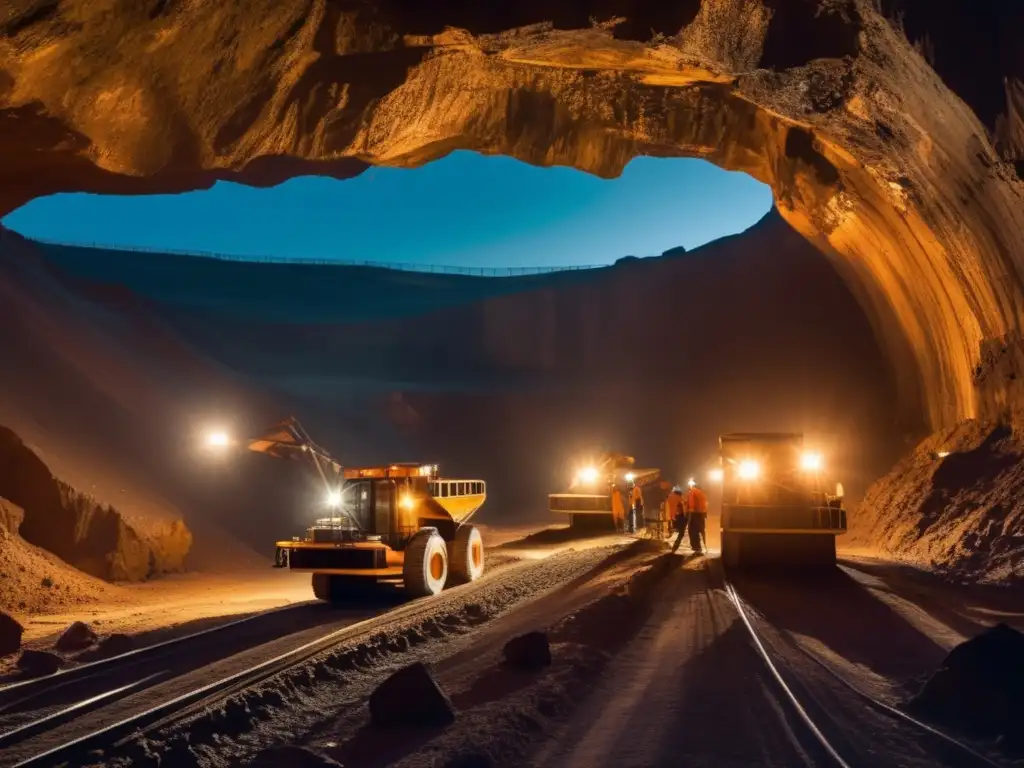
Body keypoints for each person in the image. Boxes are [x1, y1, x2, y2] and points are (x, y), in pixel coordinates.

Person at [686, 480, 709, 554]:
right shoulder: (701, 492)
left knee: (692, 531)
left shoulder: (692, 491)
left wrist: (689, 512)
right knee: (702, 530)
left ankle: (697, 548)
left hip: (695, 513)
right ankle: (708, 545)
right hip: (702, 513)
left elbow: (691, 503)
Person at [668, 485, 688, 552]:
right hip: (680, 516)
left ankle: (674, 547)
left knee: (677, 531)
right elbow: (682, 507)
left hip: (673, 517)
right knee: (681, 533)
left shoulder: (670, 496)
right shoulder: (679, 497)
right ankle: (675, 547)